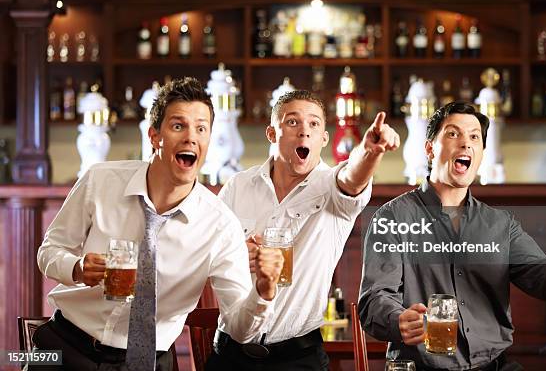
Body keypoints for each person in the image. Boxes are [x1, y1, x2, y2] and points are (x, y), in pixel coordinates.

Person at [35, 77, 283, 371]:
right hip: (65, 348)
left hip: (148, 363)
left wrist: (264, 292)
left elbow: (240, 330)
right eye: (178, 125)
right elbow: (48, 252)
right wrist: (76, 268)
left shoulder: (220, 225)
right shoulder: (99, 181)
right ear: (154, 136)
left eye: (201, 128)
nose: (191, 137)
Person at [358, 101, 546, 371]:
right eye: (453, 134)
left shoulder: (499, 224)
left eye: (474, 137)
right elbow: (374, 298)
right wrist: (398, 319)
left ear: (481, 154)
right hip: (421, 366)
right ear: (430, 149)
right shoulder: (393, 217)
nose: (466, 143)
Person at [207, 89, 401, 370]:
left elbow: (352, 178)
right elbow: (208, 254)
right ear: (272, 133)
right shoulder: (237, 186)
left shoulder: (331, 189)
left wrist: (370, 150)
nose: (304, 132)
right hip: (229, 355)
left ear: (324, 138)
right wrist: (234, 255)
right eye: (292, 122)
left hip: (298, 359)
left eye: (314, 124)